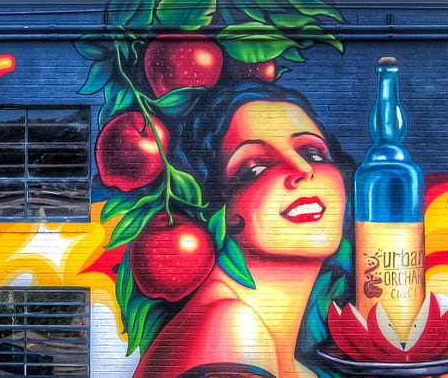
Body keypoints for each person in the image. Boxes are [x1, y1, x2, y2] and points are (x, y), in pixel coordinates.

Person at [132, 81, 354, 378]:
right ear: (217, 208)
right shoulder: (232, 326)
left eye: (314, 154)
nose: (302, 170)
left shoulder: (271, 349)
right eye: (256, 168)